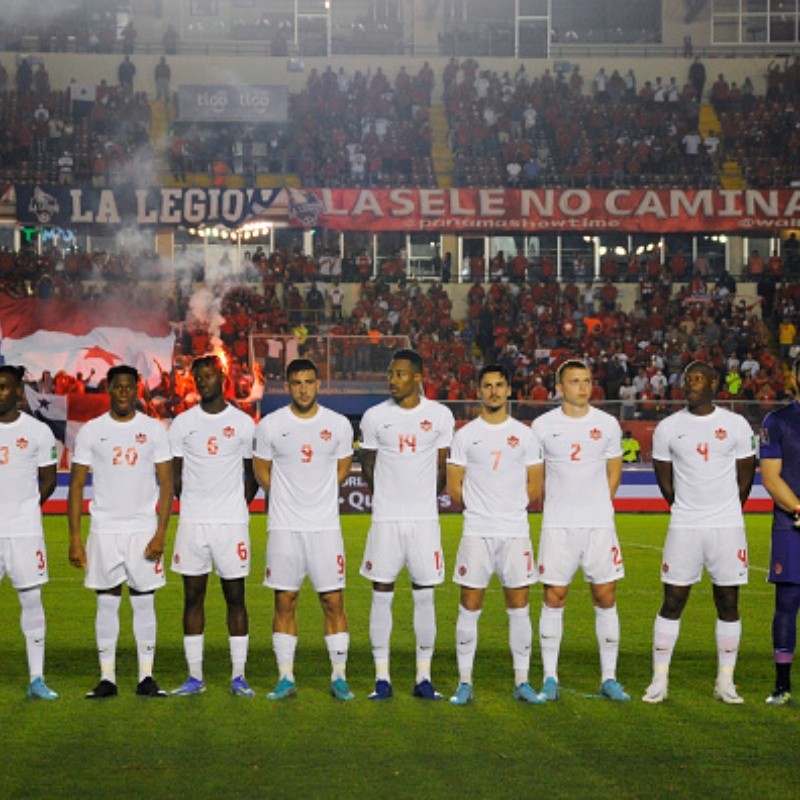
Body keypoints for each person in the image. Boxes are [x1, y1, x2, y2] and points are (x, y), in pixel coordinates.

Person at [644, 361, 755, 704]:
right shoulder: (667, 428)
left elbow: (746, 477)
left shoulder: (735, 424)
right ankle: (659, 680)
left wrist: (725, 510)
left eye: (698, 379)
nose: (690, 385)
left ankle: (725, 682)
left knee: (728, 601)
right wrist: (686, 508)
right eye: (687, 379)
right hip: (685, 525)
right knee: (673, 599)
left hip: (727, 526)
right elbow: (664, 479)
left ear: (713, 383)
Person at [68, 365, 173, 698]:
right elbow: (76, 485)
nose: (124, 392)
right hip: (104, 529)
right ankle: (108, 678)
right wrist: (74, 537)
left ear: (137, 389)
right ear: (108, 389)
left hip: (142, 529)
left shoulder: (153, 430)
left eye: (130, 386)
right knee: (107, 602)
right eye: (118, 386)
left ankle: (146, 677)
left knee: (144, 603)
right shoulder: (91, 431)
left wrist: (160, 533)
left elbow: (168, 483)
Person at [253, 358, 355, 701]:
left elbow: (342, 468)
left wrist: (318, 496)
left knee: (333, 600)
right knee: (285, 600)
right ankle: (285, 678)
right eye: (296, 382)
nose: (303, 388)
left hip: (325, 528)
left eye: (309, 381)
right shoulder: (270, 425)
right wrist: (286, 497)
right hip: (284, 527)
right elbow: (261, 471)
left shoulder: (338, 425)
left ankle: (339, 676)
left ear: (318, 384)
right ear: (287, 386)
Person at [531, 359, 629, 702]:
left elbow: (613, 474)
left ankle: (609, 678)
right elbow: (535, 475)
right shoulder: (542, 427)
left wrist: (599, 506)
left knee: (605, 596)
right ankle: (549, 677)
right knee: (554, 597)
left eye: (587, 380)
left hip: (599, 525)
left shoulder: (607, 424)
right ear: (560, 388)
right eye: (574, 381)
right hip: (558, 525)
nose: (583, 387)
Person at [446, 364, 544, 705]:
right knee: (469, 606)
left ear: (508, 390)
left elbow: (535, 485)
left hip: (515, 532)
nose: (493, 391)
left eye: (499, 385)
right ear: (478, 390)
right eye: (487, 385)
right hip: (477, 532)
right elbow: (453, 485)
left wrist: (507, 508)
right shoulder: (465, 435)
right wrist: (480, 508)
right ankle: (464, 682)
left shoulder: (526, 435)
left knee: (518, 608)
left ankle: (522, 681)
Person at [359, 349, 454, 700]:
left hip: (424, 522)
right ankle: (381, 678)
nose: (393, 380)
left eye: (400, 374)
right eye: (391, 374)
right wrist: (386, 496)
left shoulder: (440, 416)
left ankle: (423, 677)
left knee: (424, 595)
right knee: (381, 593)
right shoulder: (373, 417)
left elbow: (442, 468)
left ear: (417, 376)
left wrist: (421, 501)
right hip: (385, 520)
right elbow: (367, 463)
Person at [169, 354, 258, 696]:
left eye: (209, 376)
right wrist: (194, 504)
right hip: (193, 523)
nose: (204, 382)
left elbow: (252, 477)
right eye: (199, 378)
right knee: (192, 597)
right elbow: (175, 476)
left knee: (235, 596)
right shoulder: (182, 423)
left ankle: (238, 677)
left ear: (221, 377)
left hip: (231, 525)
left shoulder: (243, 423)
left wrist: (234, 506)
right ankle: (195, 677)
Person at [0, 365, 58, 700]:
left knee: (31, 599)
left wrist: (25, 508)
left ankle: (37, 679)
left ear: (19, 392)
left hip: (24, 532)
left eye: (5, 387)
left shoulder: (37, 432)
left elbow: (49, 479)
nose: (0, 393)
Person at [759, 356, 800, 705]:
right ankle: (782, 685)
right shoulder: (778, 421)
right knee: (787, 602)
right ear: (795, 378)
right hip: (791, 523)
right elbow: (771, 477)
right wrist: (799, 508)